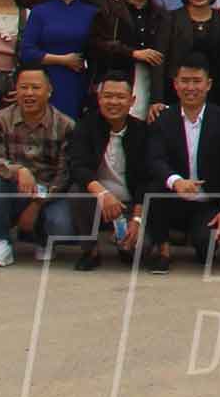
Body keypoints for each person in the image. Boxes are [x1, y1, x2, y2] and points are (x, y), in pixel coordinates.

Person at [144, 63, 220, 274]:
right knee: (154, 186)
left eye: (197, 81)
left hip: (208, 202)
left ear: (208, 85)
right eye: (185, 81)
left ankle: (196, 236)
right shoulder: (163, 119)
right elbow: (155, 159)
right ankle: (163, 250)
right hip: (174, 198)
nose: (191, 87)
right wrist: (176, 181)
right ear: (175, 84)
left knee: (206, 251)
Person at [0, 66, 80, 267]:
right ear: (16, 89)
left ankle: (41, 239)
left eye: (36, 87)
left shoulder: (65, 125)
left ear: (49, 91)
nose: (29, 93)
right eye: (24, 87)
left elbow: (64, 174)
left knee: (62, 227)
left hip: (49, 192)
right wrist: (19, 171)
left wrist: (36, 204)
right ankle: (2, 242)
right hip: (13, 187)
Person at [66, 73, 154, 270]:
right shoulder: (85, 126)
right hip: (97, 201)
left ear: (132, 101)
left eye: (120, 97)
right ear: (99, 98)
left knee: (140, 249)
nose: (113, 102)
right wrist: (103, 194)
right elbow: (78, 167)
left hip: (129, 205)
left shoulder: (142, 131)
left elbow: (146, 179)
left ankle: (123, 242)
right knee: (77, 192)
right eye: (108, 96)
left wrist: (137, 219)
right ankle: (90, 250)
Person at [19, 0, 101, 122]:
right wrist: (62, 60)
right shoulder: (39, 12)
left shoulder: (92, 13)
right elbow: (27, 52)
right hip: (46, 80)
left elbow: (97, 50)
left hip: (79, 81)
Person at [93, 0, 177, 119]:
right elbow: (97, 44)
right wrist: (133, 53)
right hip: (118, 80)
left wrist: (157, 98)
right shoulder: (110, 12)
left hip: (151, 81)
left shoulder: (163, 16)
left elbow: (164, 56)